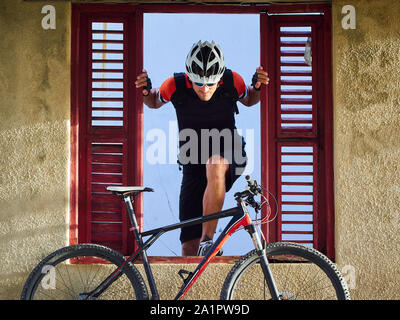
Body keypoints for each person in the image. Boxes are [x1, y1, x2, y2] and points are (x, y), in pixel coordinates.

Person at [135, 40, 269, 256]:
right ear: (189, 76)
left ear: (219, 78)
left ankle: (209, 240)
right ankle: (197, 276)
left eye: (211, 83)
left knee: (214, 164)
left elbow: (250, 98)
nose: (205, 89)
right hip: (193, 164)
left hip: (230, 151)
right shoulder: (175, 84)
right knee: (189, 248)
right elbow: (153, 102)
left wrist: (259, 87)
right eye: (199, 83)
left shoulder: (232, 80)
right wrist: (145, 91)